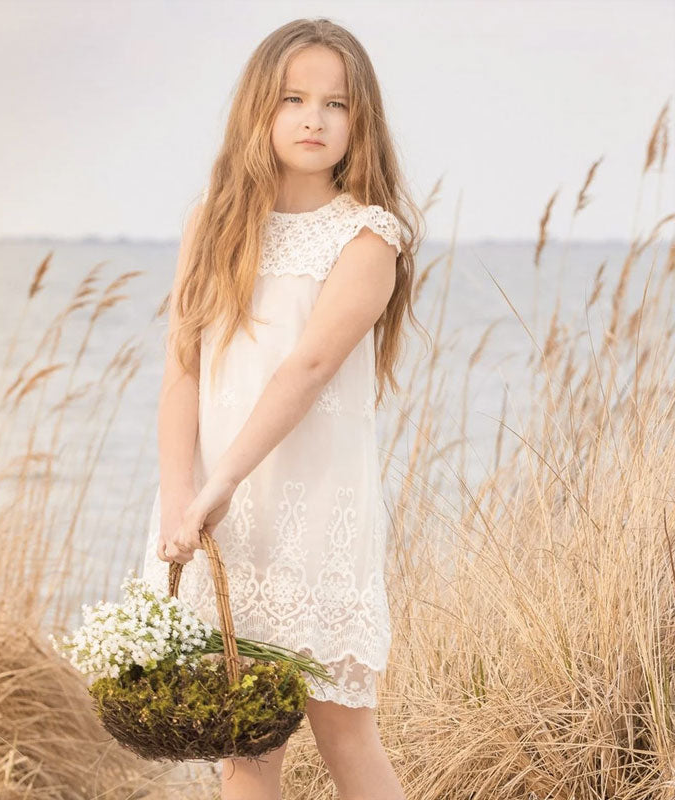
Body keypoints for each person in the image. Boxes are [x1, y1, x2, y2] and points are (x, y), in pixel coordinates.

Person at [140, 16, 426, 800]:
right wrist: (179, 498)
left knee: (341, 725)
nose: (313, 117)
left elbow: (307, 367)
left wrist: (220, 481)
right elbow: (181, 374)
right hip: (213, 510)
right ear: (259, 111)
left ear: (358, 121)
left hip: (312, 511)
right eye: (293, 98)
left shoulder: (368, 237)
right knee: (246, 744)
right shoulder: (213, 226)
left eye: (335, 104)